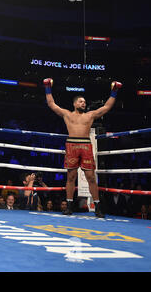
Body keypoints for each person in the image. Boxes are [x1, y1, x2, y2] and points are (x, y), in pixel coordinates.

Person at [44, 78, 122, 218]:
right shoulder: (67, 114)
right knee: (71, 177)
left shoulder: (90, 115)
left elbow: (106, 107)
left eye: (84, 102)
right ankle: (69, 206)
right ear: (74, 104)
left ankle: (98, 206)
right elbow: (51, 104)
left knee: (91, 177)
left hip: (86, 145)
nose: (83, 103)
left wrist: (114, 91)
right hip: (72, 144)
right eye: (81, 101)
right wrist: (47, 87)